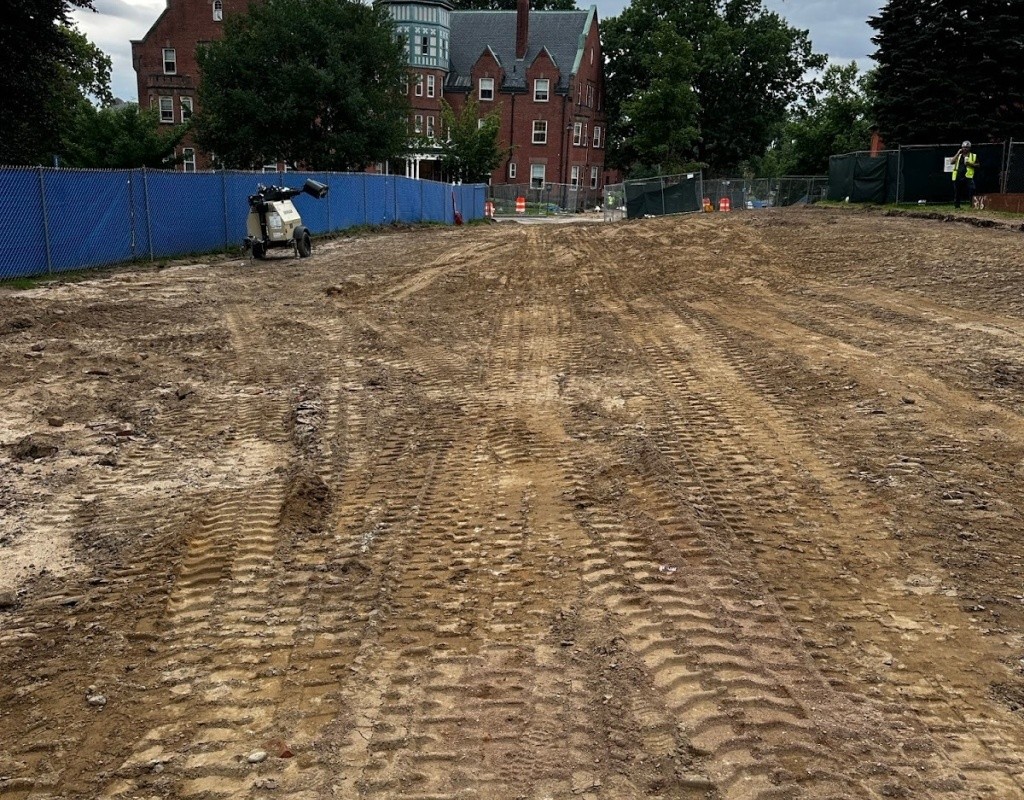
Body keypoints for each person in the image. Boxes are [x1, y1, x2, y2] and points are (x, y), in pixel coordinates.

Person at [951, 140, 978, 210]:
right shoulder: (959, 155)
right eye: (963, 147)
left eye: (967, 147)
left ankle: (972, 205)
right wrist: (957, 153)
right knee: (957, 191)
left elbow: (978, 165)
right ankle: (957, 206)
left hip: (968, 176)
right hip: (958, 175)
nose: (965, 149)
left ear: (969, 148)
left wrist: (970, 164)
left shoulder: (973, 155)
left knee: (972, 189)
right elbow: (952, 162)